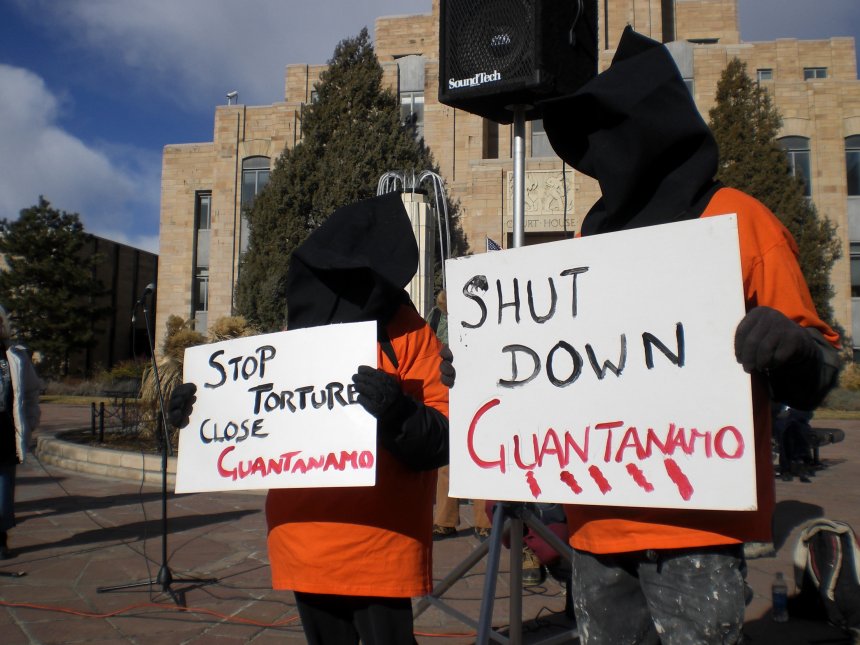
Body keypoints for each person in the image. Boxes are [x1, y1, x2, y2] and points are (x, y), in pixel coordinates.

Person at [442, 27, 841, 644]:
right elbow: (554, 374)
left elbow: (820, 370)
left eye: (610, 131)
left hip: (698, 532)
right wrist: (480, 370)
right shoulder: (585, 244)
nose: (602, 153)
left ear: (651, 128)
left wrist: (788, 342)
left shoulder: (737, 219)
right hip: (595, 529)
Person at [170, 192, 449, 645]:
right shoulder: (290, 340)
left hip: (380, 544)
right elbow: (250, 414)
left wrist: (397, 412)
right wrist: (196, 408)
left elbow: (441, 439)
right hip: (303, 541)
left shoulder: (411, 335)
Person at [426, 290, 492, 542]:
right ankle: (444, 520)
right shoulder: (435, 316)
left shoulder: (482, 311)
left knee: (480, 454)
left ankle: (484, 521)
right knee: (446, 461)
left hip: (478, 389)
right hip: (446, 392)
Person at [0, 305, 41, 559]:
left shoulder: (14, 356)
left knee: (4, 486)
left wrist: (31, 420)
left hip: (4, 428)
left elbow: (31, 391)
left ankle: (1, 537)